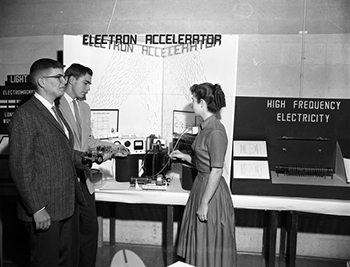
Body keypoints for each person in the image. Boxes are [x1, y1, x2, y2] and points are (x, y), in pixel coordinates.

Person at [8, 58, 87, 267]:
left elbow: (61, 152)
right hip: (45, 209)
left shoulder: (55, 110)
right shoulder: (25, 115)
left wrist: (87, 159)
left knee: (67, 260)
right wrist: (36, 208)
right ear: (42, 82)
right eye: (59, 77)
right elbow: (21, 167)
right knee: (46, 262)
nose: (64, 81)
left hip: (66, 205)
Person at [56, 63, 129, 267]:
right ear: (71, 79)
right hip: (65, 180)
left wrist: (114, 148)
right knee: (68, 237)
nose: (88, 88)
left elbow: (88, 141)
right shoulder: (54, 106)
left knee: (90, 231)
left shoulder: (84, 107)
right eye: (86, 82)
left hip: (85, 180)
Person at [170, 82, 237, 267]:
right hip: (202, 186)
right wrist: (184, 156)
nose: (191, 104)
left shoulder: (215, 131)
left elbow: (216, 170)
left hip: (211, 195)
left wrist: (205, 203)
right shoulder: (206, 127)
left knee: (208, 243)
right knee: (200, 242)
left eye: (193, 100)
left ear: (202, 103)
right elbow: (204, 163)